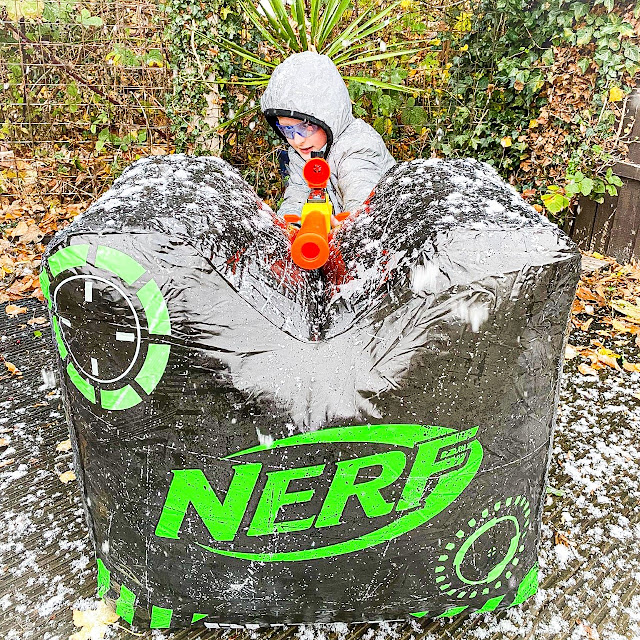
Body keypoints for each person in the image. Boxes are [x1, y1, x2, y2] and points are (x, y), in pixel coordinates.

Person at [260, 51, 396, 223]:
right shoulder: (304, 152)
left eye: (306, 126)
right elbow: (296, 199)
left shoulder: (358, 147)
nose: (297, 140)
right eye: (287, 130)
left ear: (327, 117)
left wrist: (347, 230)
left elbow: (363, 210)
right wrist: (291, 229)